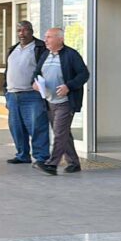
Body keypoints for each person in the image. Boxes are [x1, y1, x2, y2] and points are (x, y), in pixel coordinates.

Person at [33, 27, 90, 175]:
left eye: (49, 37)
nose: (45, 40)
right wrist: (35, 83)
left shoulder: (71, 54)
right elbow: (37, 73)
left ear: (60, 39)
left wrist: (68, 86)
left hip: (65, 102)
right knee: (63, 133)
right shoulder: (45, 54)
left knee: (59, 133)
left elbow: (84, 74)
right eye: (45, 37)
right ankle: (74, 163)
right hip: (50, 102)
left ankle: (52, 165)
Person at [3, 21, 50, 166]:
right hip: (13, 95)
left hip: (32, 95)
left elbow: (46, 70)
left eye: (25, 30)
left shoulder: (40, 48)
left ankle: (41, 157)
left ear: (31, 31)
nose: (21, 34)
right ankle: (22, 155)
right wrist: (6, 92)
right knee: (16, 127)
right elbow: (8, 71)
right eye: (19, 31)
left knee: (37, 127)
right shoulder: (13, 49)